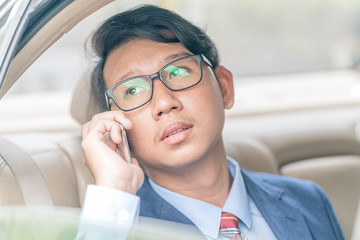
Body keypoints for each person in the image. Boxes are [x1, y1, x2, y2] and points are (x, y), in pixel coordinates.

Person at [78, 4, 344, 240]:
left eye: (179, 71)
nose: (163, 103)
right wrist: (114, 190)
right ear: (117, 129)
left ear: (225, 87)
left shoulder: (308, 200)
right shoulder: (117, 227)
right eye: (133, 90)